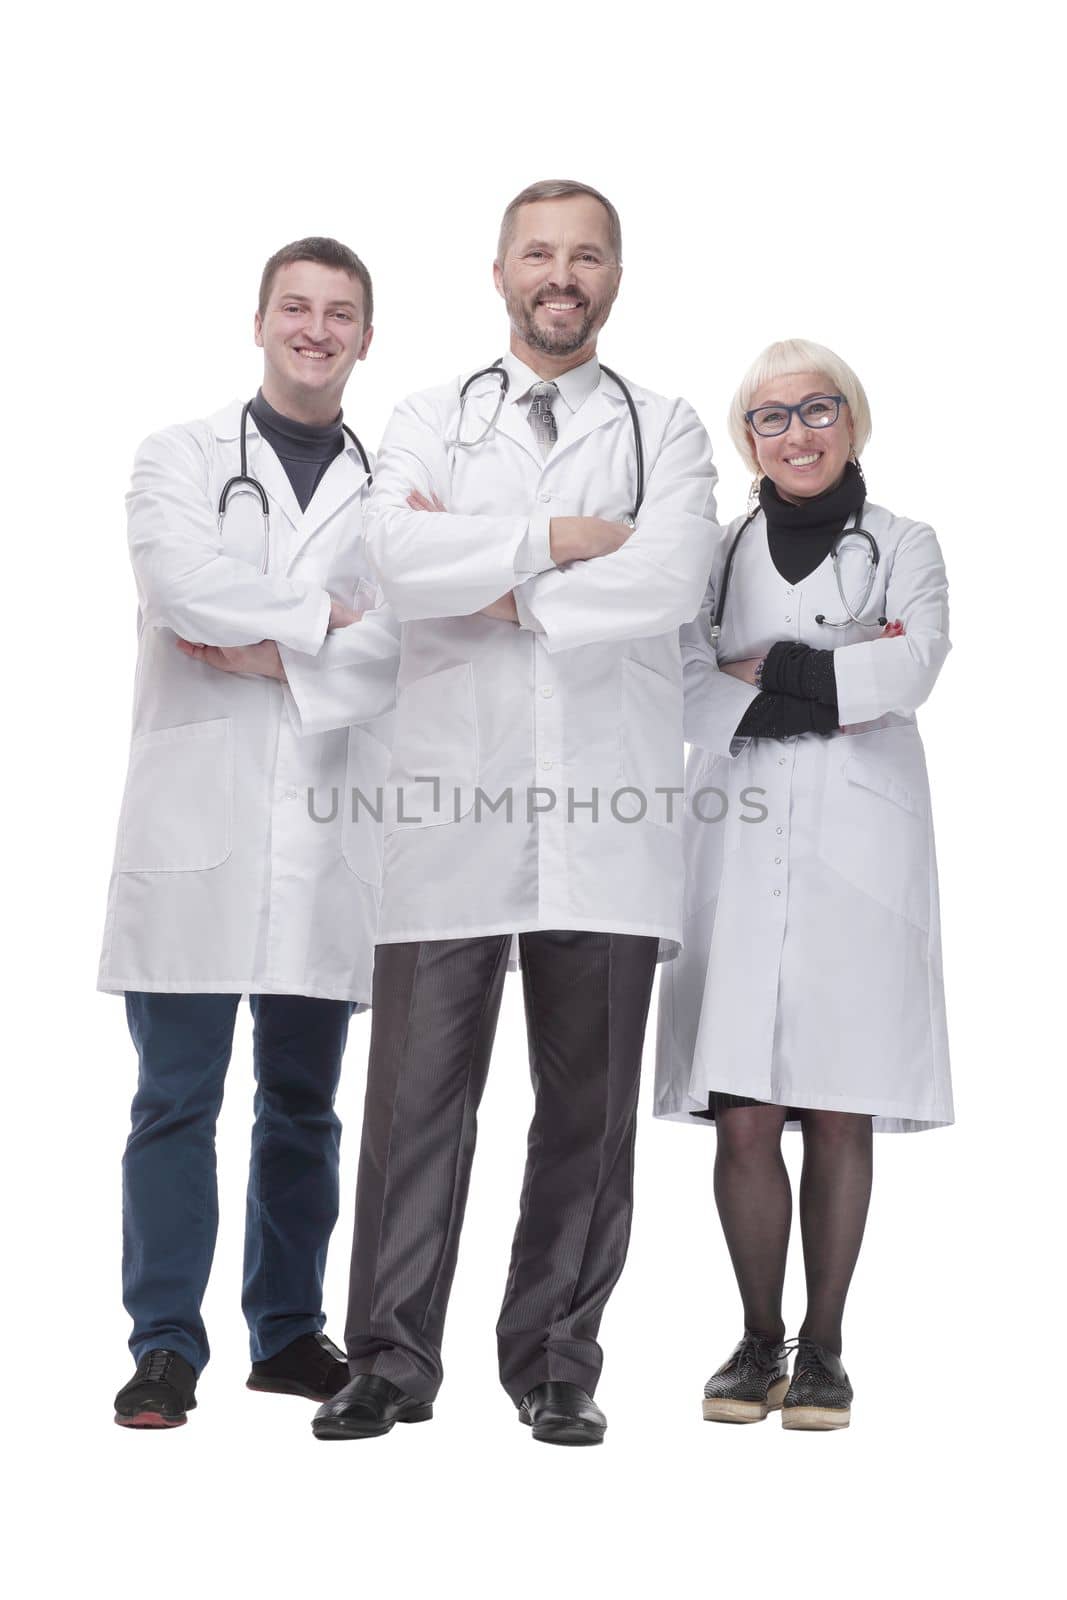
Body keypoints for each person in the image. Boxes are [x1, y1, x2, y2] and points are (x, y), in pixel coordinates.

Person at [312, 179, 717, 1447]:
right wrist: (563, 539)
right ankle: (386, 1356)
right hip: (449, 812)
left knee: (585, 1116)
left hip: (608, 821)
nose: (562, 274)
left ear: (614, 278)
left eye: (585, 255)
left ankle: (553, 1358)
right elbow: (391, 555)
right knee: (414, 1101)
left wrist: (493, 573)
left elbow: (668, 577)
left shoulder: (670, 429)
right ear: (498, 273)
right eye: (538, 253)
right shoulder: (431, 415)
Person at [100, 237, 401, 1428]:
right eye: (297, 308)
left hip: (326, 835)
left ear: (366, 338)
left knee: (304, 1105)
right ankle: (165, 1345)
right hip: (194, 829)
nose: (316, 330)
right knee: (174, 1099)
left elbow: (403, 652)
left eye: (340, 314)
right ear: (261, 321)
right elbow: (176, 584)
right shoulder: (175, 457)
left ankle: (287, 1333)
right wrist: (328, 618)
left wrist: (275, 647)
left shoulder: (392, 493)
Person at [654, 338, 953, 1431]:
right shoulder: (714, 552)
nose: (796, 433)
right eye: (770, 418)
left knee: (834, 1101)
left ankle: (823, 1347)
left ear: (851, 419)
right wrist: (833, 674)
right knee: (742, 1105)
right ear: (747, 440)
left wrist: (767, 669)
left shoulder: (905, 543)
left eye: (816, 409)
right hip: (732, 841)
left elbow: (911, 667)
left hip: (855, 850)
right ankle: (754, 1336)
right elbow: (680, 683)